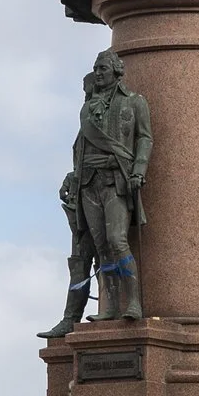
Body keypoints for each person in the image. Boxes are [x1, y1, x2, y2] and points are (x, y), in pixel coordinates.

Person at [44, 51, 152, 333]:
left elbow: (145, 138)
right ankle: (110, 307)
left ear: (117, 71)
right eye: (96, 68)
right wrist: (74, 176)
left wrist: (139, 170)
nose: (99, 72)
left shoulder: (134, 102)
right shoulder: (88, 108)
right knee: (101, 245)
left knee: (117, 240)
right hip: (89, 182)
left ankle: (134, 302)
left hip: (117, 178)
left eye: (103, 68)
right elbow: (81, 148)